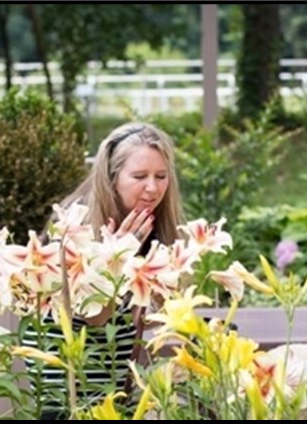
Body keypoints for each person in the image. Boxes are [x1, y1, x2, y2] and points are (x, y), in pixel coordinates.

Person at [21, 122, 184, 419]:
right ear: (111, 178)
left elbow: (156, 314)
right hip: (67, 385)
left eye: (161, 176)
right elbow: (95, 315)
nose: (153, 187)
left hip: (114, 385)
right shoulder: (76, 223)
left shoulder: (150, 226)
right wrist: (120, 253)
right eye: (139, 176)